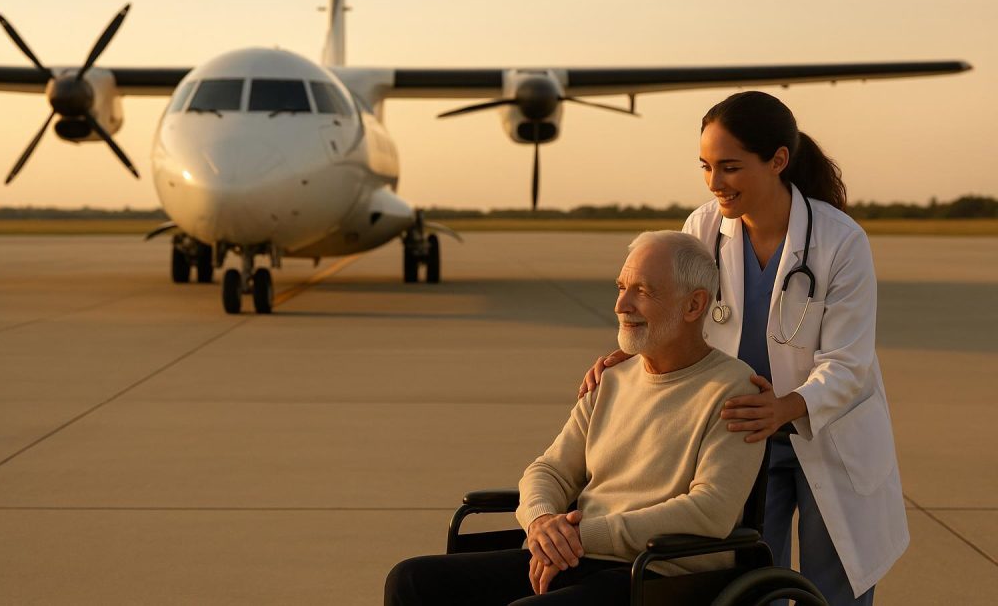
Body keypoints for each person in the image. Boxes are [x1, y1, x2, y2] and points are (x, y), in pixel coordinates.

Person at [579, 91, 907, 605]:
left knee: (835, 588)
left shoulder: (841, 241)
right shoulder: (702, 228)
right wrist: (635, 351)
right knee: (746, 582)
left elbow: (848, 363)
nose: (714, 183)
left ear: (778, 160)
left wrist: (785, 406)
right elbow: (675, 314)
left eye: (729, 167)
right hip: (738, 431)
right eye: (706, 167)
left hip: (827, 431)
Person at [385, 231, 764, 605]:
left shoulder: (734, 390)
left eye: (643, 292)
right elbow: (548, 470)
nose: (621, 305)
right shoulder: (610, 380)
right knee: (411, 581)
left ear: (694, 305)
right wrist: (541, 523)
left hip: (659, 573)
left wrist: (583, 535)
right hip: (577, 554)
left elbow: (710, 510)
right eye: (621, 287)